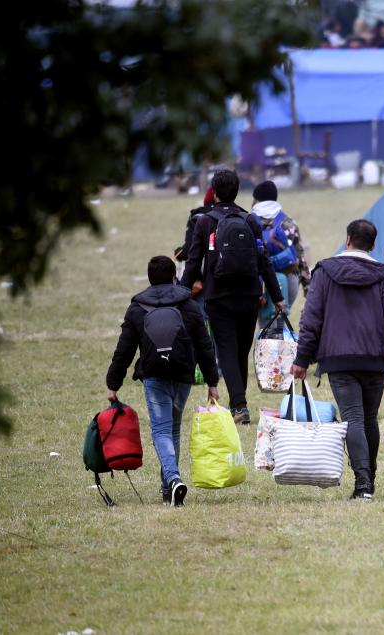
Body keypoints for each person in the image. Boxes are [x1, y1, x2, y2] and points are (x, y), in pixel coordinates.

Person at [290, 220, 384, 500]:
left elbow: (311, 319)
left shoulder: (325, 271)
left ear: (347, 238)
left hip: (338, 358)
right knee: (368, 419)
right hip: (374, 357)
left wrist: (302, 359)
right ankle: (369, 479)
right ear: (374, 245)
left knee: (352, 417)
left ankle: (363, 484)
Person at [106, 256, 220, 506]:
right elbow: (204, 346)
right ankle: (169, 487)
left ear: (149, 278)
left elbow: (124, 350)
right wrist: (212, 381)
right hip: (182, 376)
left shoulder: (138, 307)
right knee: (173, 430)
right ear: (173, 277)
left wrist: (113, 384)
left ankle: (172, 478)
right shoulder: (188, 304)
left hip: (154, 375)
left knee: (161, 430)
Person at [181, 169, 284, 425]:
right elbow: (264, 261)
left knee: (226, 349)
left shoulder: (204, 221)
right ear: (238, 192)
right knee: (240, 351)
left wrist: (181, 294)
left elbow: (193, 262)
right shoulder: (250, 220)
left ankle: (239, 406)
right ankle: (240, 401)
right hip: (249, 295)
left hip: (218, 297)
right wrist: (277, 295)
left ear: (213, 192)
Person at [250, 180, 310, 326]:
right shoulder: (288, 222)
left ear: (256, 199)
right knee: (280, 323)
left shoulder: (249, 221)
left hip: (261, 283)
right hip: (289, 277)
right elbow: (300, 255)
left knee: (265, 325)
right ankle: (283, 348)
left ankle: (267, 349)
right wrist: (308, 287)